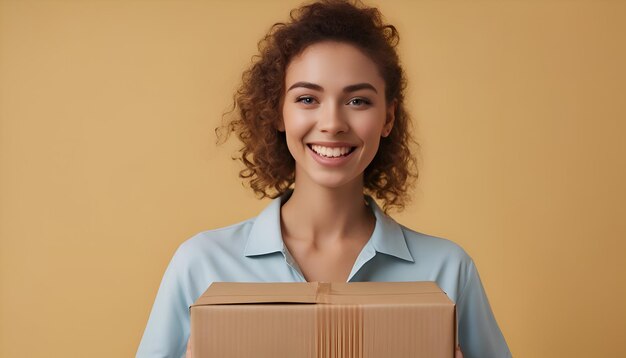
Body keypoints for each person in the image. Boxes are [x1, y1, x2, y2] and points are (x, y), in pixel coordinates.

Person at [136, 1, 511, 357]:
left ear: (388, 118)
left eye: (358, 101)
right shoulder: (202, 265)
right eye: (307, 99)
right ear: (278, 113)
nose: (332, 123)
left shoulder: (447, 270)